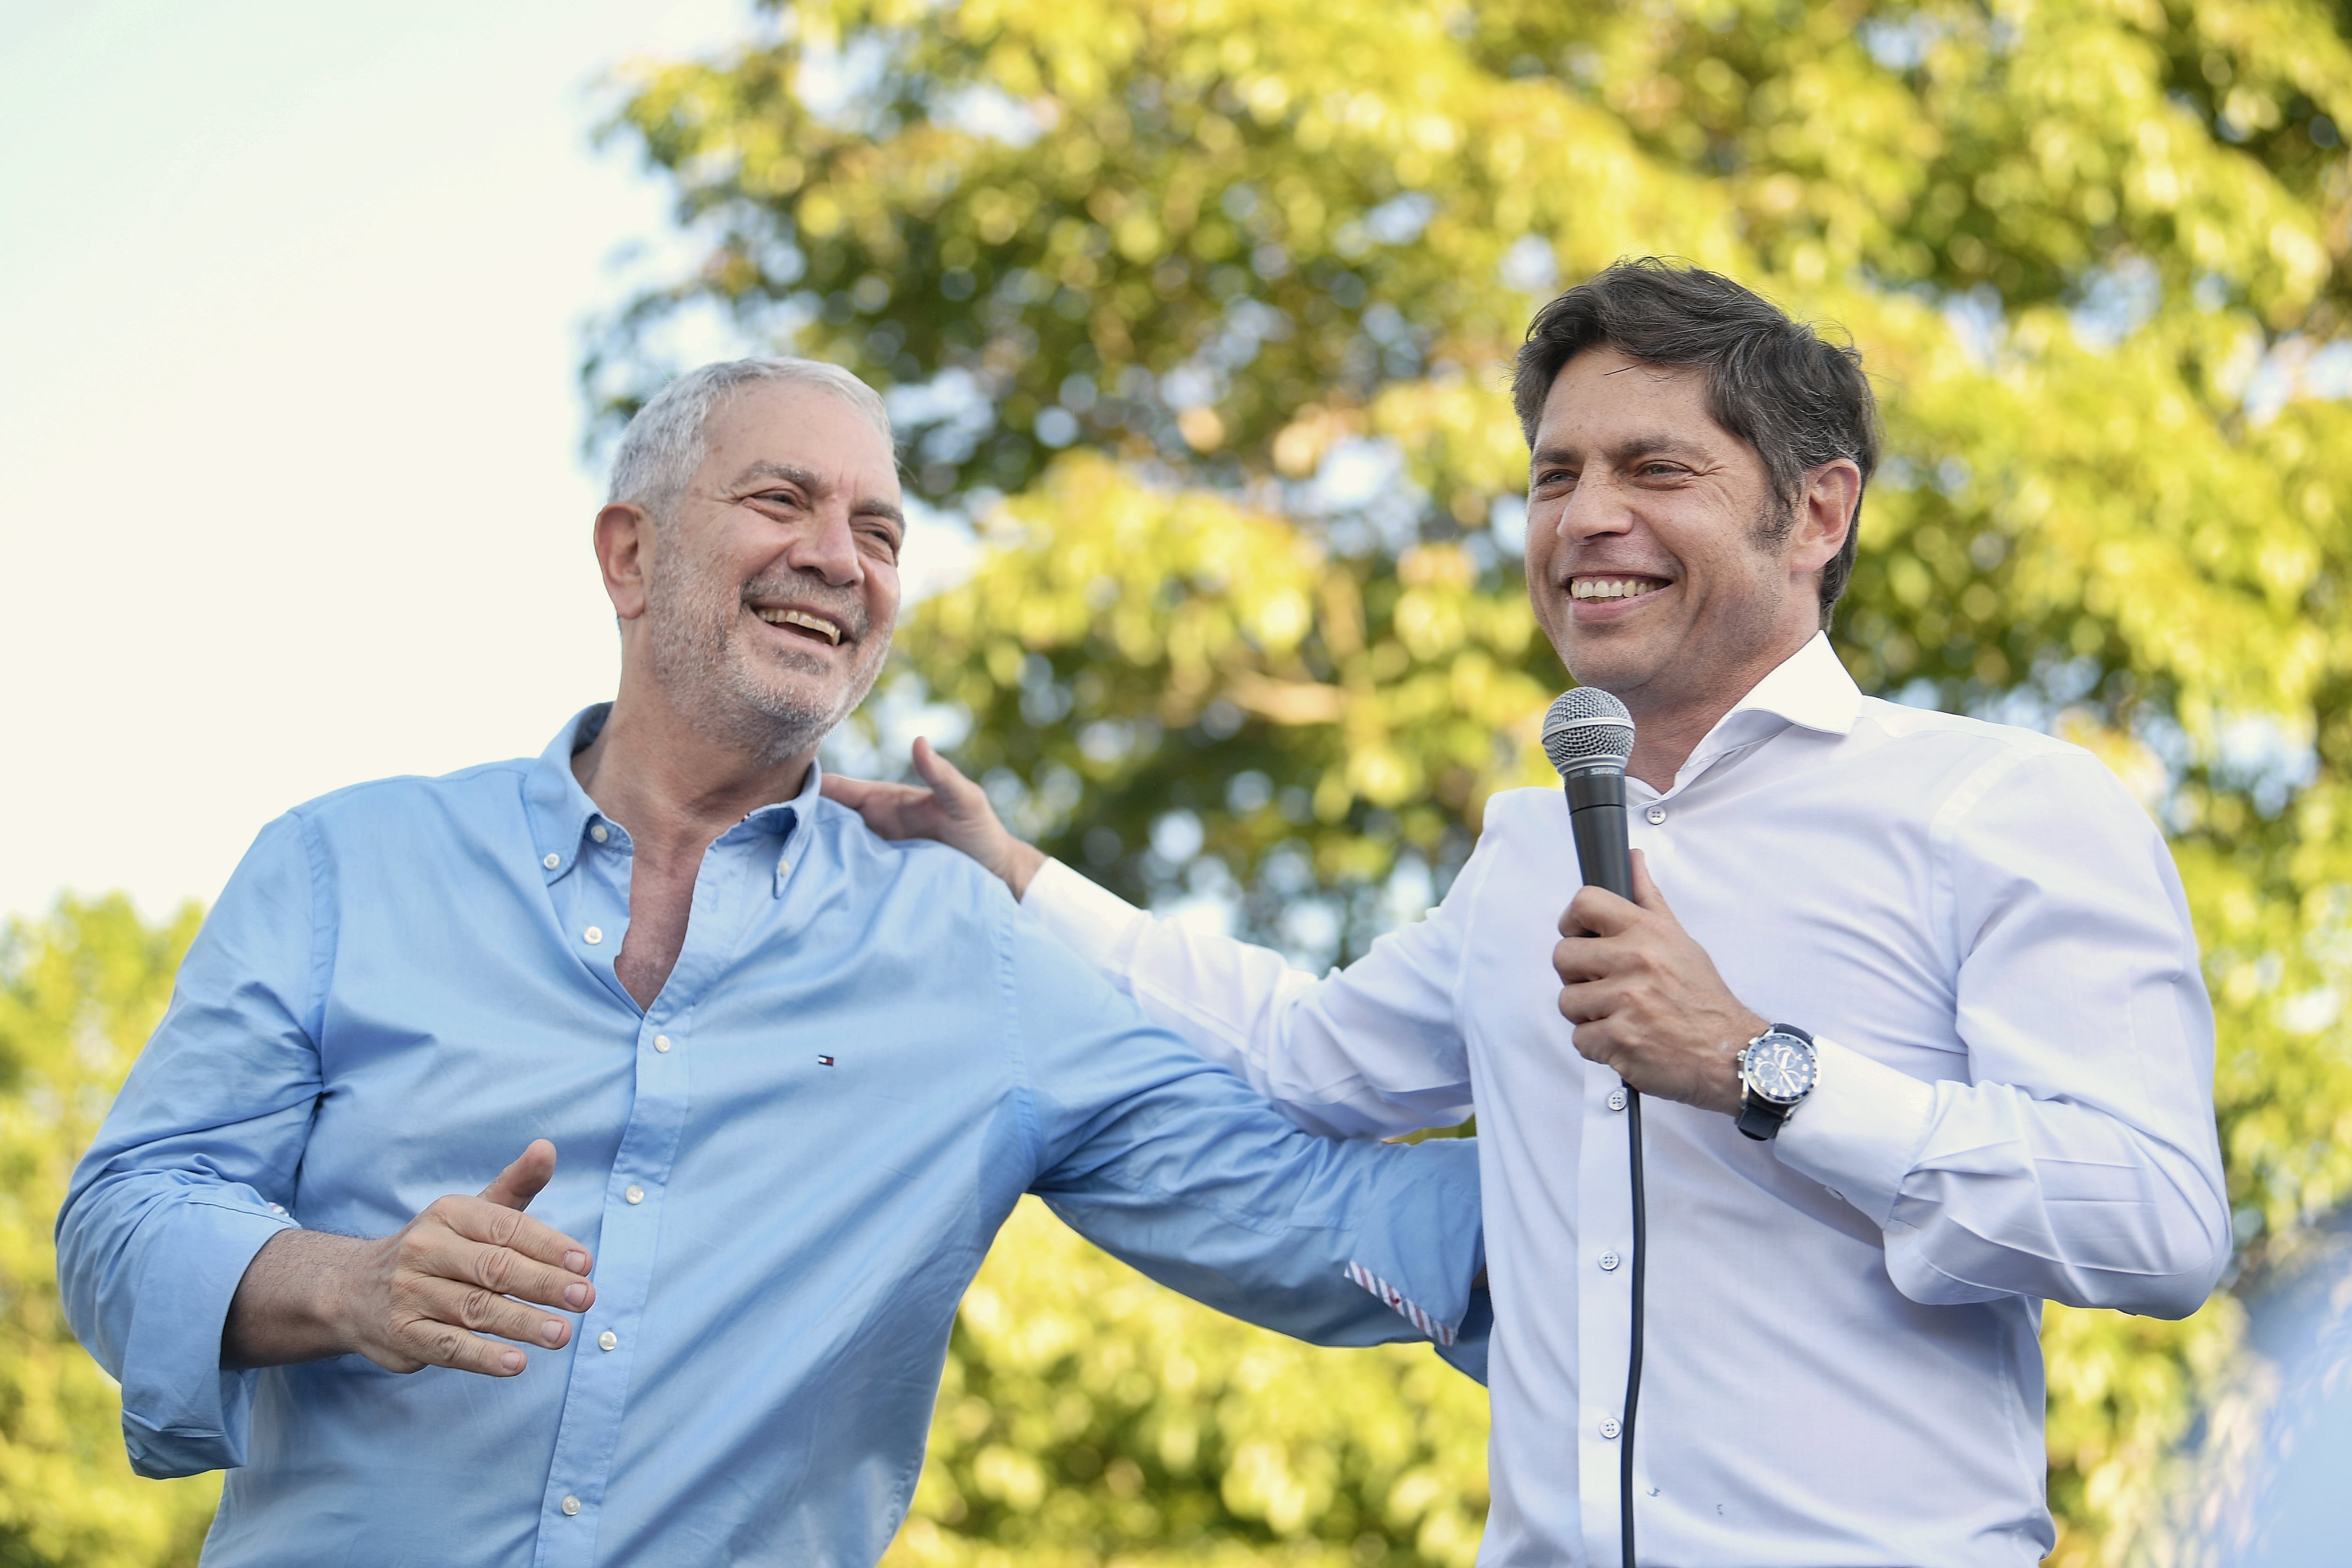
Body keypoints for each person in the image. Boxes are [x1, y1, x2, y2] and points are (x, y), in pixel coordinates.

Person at [826, 260, 2233, 1566]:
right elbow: (1302, 1059)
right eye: (1556, 475)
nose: (1586, 518)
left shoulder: (2003, 806)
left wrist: (1759, 1068)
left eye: (1656, 468)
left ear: (1819, 512)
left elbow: (2160, 1224)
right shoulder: (1526, 849)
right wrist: (1011, 871)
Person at [55, 358, 1487, 1568]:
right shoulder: (344, 867)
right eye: (781, 501)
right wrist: (348, 1284)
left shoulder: (973, 959)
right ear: (629, 556)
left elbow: (1326, 1222)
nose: (839, 558)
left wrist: (1636, 1114)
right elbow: (125, 1220)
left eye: (880, 530)